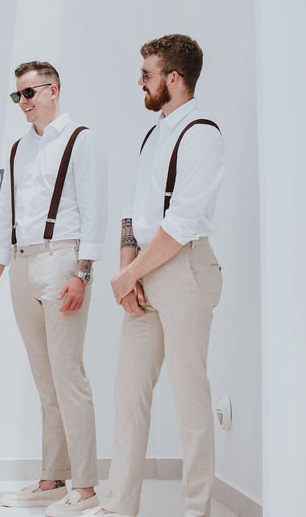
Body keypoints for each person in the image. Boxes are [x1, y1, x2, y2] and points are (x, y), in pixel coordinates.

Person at [86, 34, 224, 517]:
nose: (139, 82)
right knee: (129, 396)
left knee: (190, 399)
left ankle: (197, 510)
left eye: (146, 74)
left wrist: (132, 273)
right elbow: (133, 209)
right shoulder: (154, 134)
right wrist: (127, 270)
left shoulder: (202, 134)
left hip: (184, 269)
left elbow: (182, 224)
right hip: (144, 269)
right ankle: (118, 507)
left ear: (173, 78)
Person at [0, 61, 107, 516]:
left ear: (54, 90)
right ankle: (53, 478)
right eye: (18, 96)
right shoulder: (19, 148)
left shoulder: (81, 140)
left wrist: (84, 273)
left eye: (29, 93)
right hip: (22, 263)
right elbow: (4, 216)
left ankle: (87, 488)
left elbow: (95, 211)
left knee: (69, 375)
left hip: (62, 260)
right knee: (44, 379)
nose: (24, 103)